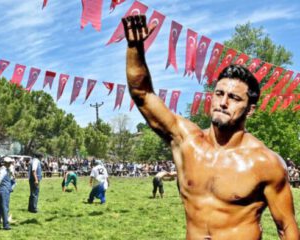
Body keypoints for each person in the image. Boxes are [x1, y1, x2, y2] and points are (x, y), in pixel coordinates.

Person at [122, 15, 299, 239]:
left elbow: (286, 228)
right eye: (219, 94)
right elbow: (143, 95)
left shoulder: (265, 163)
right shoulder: (186, 141)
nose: (223, 103)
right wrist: (135, 47)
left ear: (250, 110)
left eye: (234, 98)